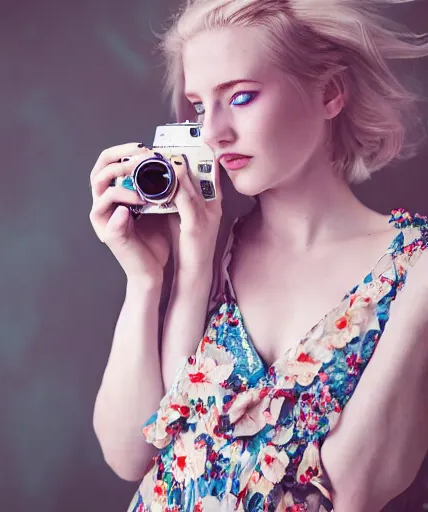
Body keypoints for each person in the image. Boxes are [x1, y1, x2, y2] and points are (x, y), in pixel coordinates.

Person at [89, 0, 428, 510]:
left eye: (242, 97)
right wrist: (149, 279)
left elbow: (355, 490)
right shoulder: (214, 246)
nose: (212, 132)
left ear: (330, 93)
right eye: (200, 107)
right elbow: (127, 454)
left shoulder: (413, 265)